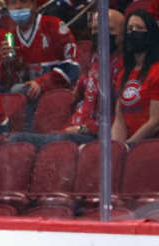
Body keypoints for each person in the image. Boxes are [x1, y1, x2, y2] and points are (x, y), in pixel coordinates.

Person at [7, 9, 126, 148]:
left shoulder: (124, 67)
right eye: (94, 29)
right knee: (17, 138)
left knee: (41, 141)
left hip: (92, 135)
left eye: (108, 29)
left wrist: (84, 129)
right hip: (72, 129)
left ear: (123, 34)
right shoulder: (95, 60)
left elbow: (120, 119)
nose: (99, 33)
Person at [0, 0, 80, 98]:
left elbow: (74, 67)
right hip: (28, 101)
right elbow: (7, 85)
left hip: (58, 96)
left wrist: (42, 83)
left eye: (24, 2)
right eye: (13, 2)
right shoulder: (11, 37)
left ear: (34, 4)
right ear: (7, 7)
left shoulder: (53, 25)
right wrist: (6, 63)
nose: (18, 7)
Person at [112, 10, 159, 145]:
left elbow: (156, 122)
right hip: (129, 145)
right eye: (130, 29)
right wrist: (116, 148)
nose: (133, 32)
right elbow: (120, 119)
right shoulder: (123, 74)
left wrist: (128, 146)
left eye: (139, 28)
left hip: (153, 145)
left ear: (150, 34)